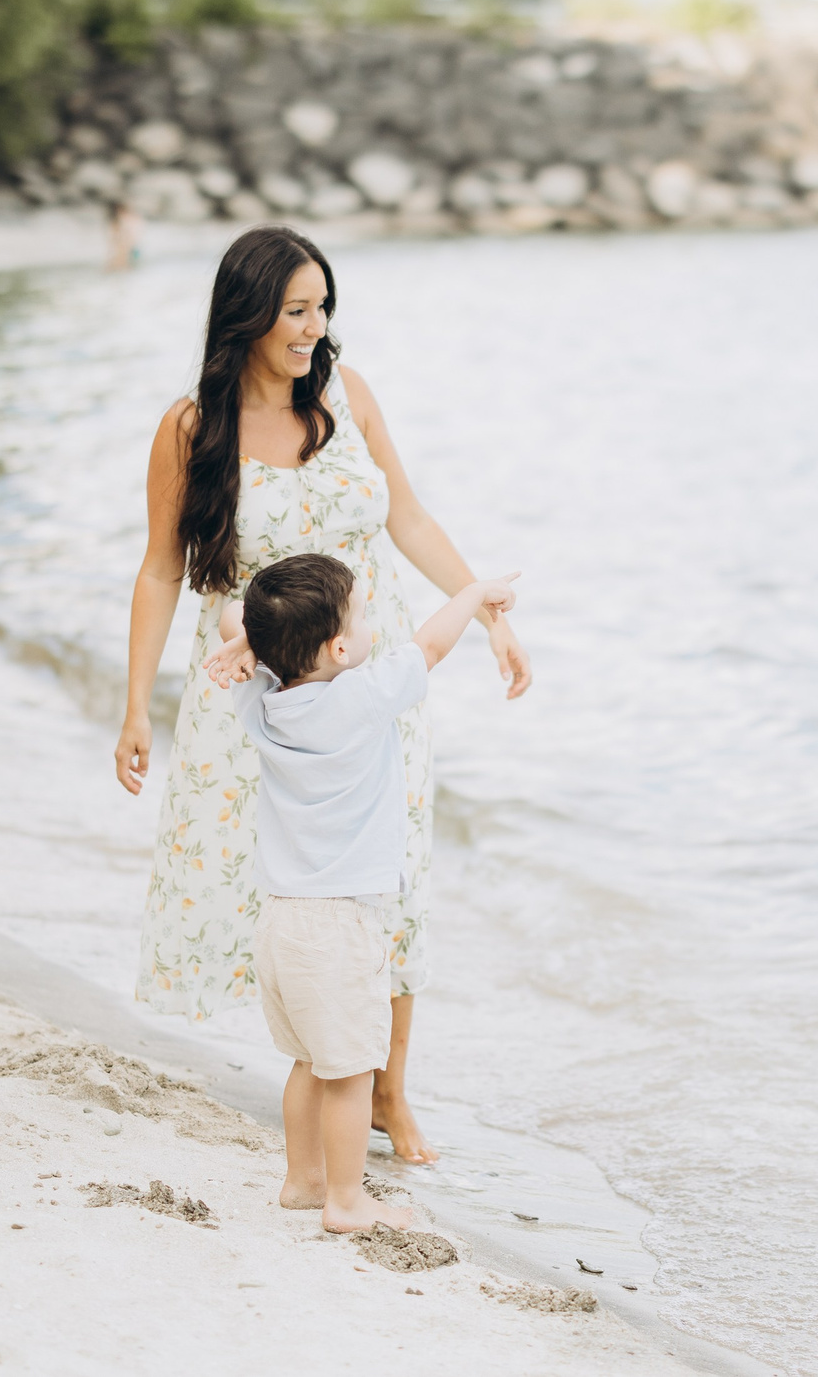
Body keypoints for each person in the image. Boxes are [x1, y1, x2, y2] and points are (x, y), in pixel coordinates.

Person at [113, 226, 532, 1164]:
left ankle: (389, 1092)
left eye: (322, 307)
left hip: (375, 688)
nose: (315, 328)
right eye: (296, 311)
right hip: (258, 694)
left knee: (390, 877)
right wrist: (136, 703)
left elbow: (408, 515)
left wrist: (488, 610)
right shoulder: (191, 427)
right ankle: (327, 1074)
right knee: (294, 891)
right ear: (250, 315)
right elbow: (158, 570)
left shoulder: (347, 395)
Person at [206, 554, 519, 1228]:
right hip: (338, 927)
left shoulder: (265, 696)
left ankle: (301, 1180)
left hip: (280, 924)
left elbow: (236, 613)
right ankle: (346, 1200)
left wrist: (245, 638)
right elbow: (432, 643)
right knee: (347, 1073)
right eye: (361, 613)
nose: (372, 624)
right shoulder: (361, 694)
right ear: (339, 646)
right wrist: (472, 589)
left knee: (305, 1060)